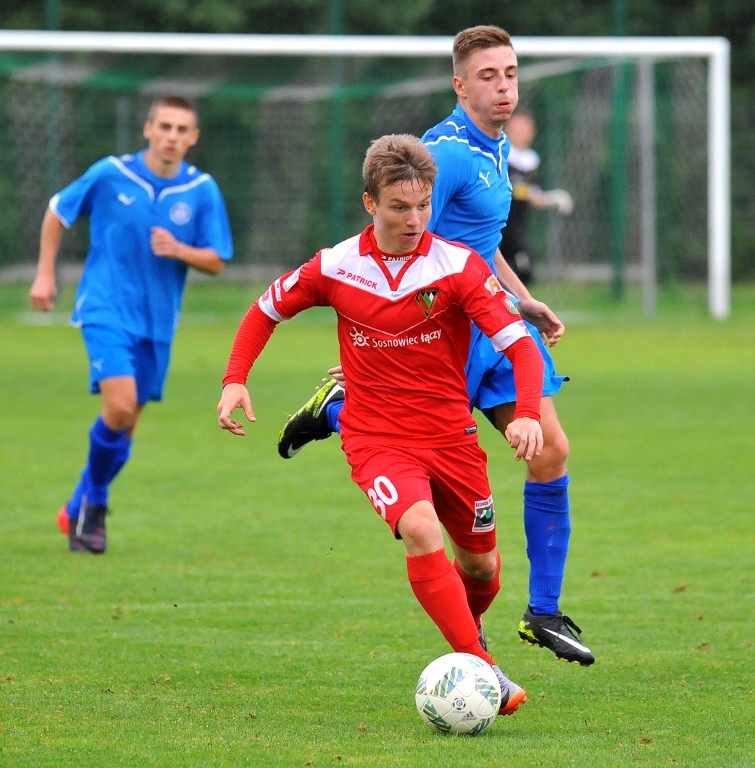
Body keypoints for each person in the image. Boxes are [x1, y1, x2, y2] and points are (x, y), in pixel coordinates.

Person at [276, 26, 595, 666]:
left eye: (510, 74)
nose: (503, 87)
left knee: (551, 449)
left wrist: (521, 298)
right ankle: (341, 407)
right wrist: (383, 335)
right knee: (462, 478)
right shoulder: (443, 154)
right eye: (487, 76)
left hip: (492, 317)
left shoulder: (494, 146)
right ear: (459, 84)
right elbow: (401, 233)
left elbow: (478, 241)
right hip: (445, 328)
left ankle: (541, 611)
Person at [217, 134, 543, 716]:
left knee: (483, 570)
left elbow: (519, 346)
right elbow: (265, 310)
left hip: (450, 436)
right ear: (370, 202)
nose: (414, 220)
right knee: (420, 529)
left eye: (423, 205)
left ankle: (331, 406)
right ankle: (484, 670)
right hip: (379, 438)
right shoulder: (337, 266)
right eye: (399, 207)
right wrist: (235, 379)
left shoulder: (459, 267)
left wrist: (526, 415)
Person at [29, 95, 234, 554]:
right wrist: (45, 274)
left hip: (157, 322)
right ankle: (96, 505)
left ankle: (76, 506)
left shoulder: (201, 189)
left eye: (181, 130)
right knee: (119, 408)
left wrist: (180, 250)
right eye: (165, 127)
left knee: (127, 425)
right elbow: (58, 211)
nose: (171, 136)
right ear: (148, 129)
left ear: (193, 138)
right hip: (105, 308)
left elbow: (217, 260)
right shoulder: (111, 173)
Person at [499, 109, 574, 284]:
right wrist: (527, 193)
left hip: (518, 222)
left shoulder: (531, 160)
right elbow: (513, 188)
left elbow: (532, 195)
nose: (521, 134)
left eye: (525, 130)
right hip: (500, 220)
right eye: (517, 129)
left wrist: (552, 199)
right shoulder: (501, 155)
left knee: (523, 270)